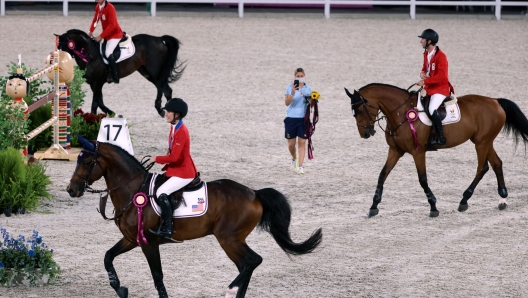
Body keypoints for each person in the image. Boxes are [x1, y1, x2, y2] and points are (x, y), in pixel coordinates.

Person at [149, 98, 198, 241]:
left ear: (177, 114)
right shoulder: (173, 126)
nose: (166, 114)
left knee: (161, 192)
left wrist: (156, 158)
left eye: (169, 111)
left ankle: (168, 228)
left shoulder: (181, 131)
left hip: (184, 172)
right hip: (177, 169)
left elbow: (175, 158)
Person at [416, 29, 455, 146]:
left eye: (422, 39)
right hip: (430, 87)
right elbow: (425, 68)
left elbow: (442, 77)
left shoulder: (441, 56)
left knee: (432, 108)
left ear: (429, 41)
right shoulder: (426, 54)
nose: (420, 41)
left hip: (440, 89)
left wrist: (425, 81)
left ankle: (440, 137)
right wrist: (422, 73)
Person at [284, 67, 313, 174]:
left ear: (304, 76)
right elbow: (287, 103)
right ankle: (294, 157)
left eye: (302, 76)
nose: (300, 78)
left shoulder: (308, 89)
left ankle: (300, 166)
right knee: (291, 145)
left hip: (303, 119)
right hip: (291, 118)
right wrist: (292, 92)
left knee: (302, 143)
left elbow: (311, 104)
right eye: (298, 76)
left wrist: (313, 99)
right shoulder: (289, 87)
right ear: (295, 77)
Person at [88, 0, 123, 84]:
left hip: (115, 35)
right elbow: (95, 21)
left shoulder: (110, 8)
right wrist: (91, 30)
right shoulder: (98, 7)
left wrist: (100, 36)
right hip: (107, 35)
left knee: (108, 52)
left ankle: (115, 76)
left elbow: (112, 25)